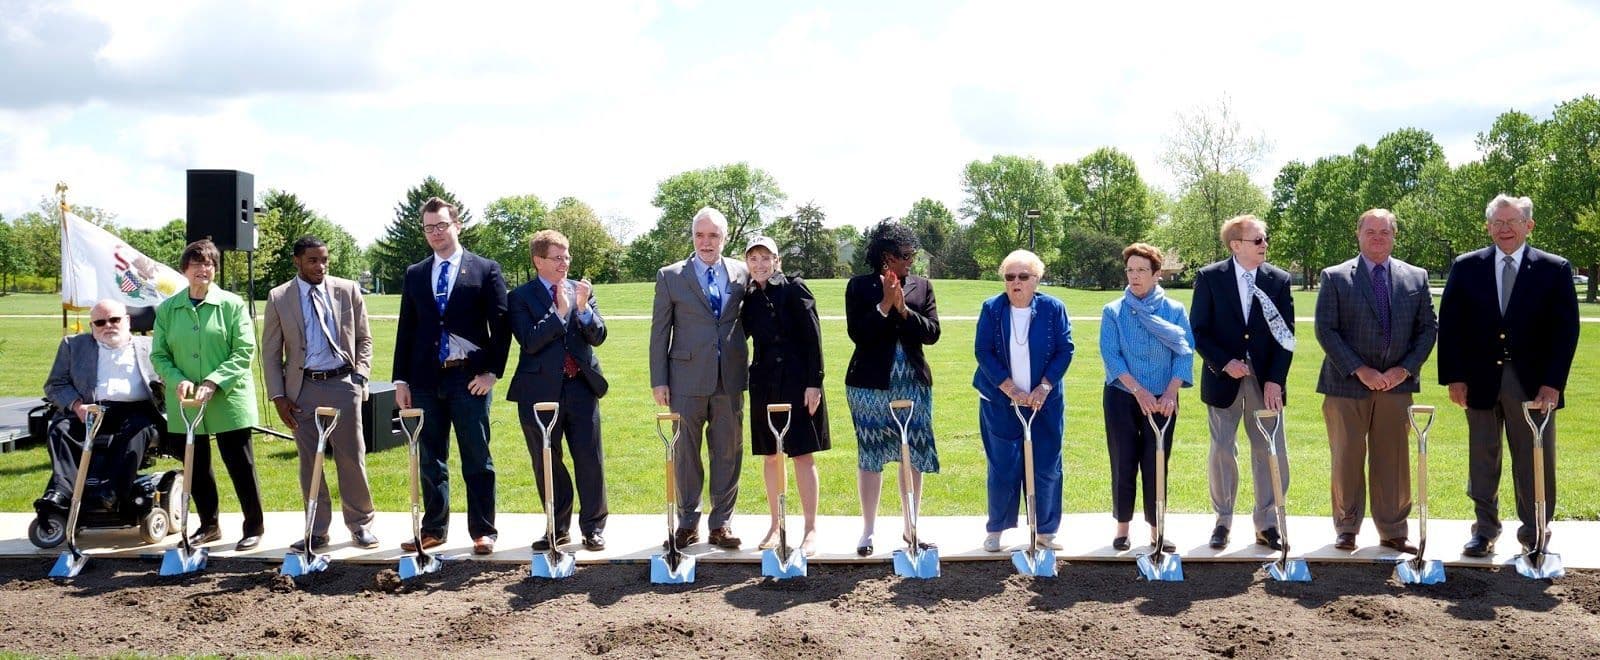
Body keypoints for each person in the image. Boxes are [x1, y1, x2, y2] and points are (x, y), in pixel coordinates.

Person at [1438, 194, 1579, 558]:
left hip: (1533, 384)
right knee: (1482, 458)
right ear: (1488, 226)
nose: (1504, 229)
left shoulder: (1554, 269)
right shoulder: (1467, 267)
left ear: (1528, 225)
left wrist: (1553, 383)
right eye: (1497, 223)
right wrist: (1454, 376)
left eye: (1512, 222)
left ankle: (1535, 531)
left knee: (1534, 459)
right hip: (1479, 381)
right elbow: (1451, 327)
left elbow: (1565, 333)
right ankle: (1484, 531)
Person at [392, 197, 511, 556]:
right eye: (429, 227)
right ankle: (433, 529)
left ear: (457, 226)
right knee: (431, 457)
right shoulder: (415, 273)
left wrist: (492, 372)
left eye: (442, 225)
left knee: (477, 456)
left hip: (469, 380)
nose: (436, 233)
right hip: (426, 382)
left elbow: (502, 326)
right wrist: (401, 381)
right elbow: (406, 329)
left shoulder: (485, 270)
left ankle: (483, 530)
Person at [1314, 209, 1437, 553]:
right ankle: (1347, 526)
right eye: (1371, 231)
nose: (1378, 237)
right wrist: (1360, 370)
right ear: (1359, 234)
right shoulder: (1336, 276)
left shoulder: (1416, 277)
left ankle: (1394, 529)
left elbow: (1428, 329)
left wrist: (1403, 369)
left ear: (1394, 235)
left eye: (1385, 231)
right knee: (1347, 457)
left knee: (1393, 459)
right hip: (1346, 385)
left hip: (1396, 386)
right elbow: (1326, 329)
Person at [261, 236, 379, 551]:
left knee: (351, 458)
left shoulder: (347, 290)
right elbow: (271, 353)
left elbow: (365, 339)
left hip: (343, 385)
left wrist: (360, 376)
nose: (320, 266)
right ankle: (317, 530)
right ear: (297, 261)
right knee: (310, 463)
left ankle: (361, 525)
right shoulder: (279, 297)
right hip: (302, 390)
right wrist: (277, 396)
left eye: (325, 260)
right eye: (313, 260)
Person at [150, 239, 264, 551]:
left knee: (240, 464)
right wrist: (177, 379)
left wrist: (214, 381)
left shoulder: (231, 304)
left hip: (228, 397)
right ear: (184, 269)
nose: (205, 269)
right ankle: (209, 525)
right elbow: (159, 355)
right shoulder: (168, 309)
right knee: (196, 466)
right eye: (198, 263)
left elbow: (244, 351)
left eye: (210, 263)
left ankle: (254, 525)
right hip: (186, 400)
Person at [1190, 214, 1296, 551]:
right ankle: (1223, 521)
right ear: (1236, 245)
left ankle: (1266, 523)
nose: (1265, 245)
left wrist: (1275, 380)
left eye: (1265, 239)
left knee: (1269, 450)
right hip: (1223, 380)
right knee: (1222, 449)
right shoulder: (1209, 278)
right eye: (1258, 240)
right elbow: (1198, 331)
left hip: (1267, 382)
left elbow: (1285, 336)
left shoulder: (1278, 280)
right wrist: (1224, 362)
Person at [649, 207, 750, 550]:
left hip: (730, 379)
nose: (706, 242)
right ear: (692, 237)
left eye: (713, 236)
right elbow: (660, 331)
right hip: (685, 379)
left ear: (725, 237)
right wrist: (659, 380)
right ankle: (688, 522)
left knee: (727, 453)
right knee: (685, 455)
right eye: (700, 235)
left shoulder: (742, 273)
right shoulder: (670, 276)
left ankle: (721, 524)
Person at [508, 229, 610, 552]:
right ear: (538, 261)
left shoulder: (581, 291)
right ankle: (558, 526)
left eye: (567, 256)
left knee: (590, 460)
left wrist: (582, 309)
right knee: (547, 462)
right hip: (539, 392)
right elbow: (529, 340)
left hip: (581, 386)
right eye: (557, 257)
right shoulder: (520, 297)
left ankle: (593, 528)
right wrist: (560, 313)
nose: (564, 263)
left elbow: (598, 336)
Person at [844, 219, 941, 556]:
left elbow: (931, 333)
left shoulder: (922, 286)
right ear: (886, 256)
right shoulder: (858, 287)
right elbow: (859, 335)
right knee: (870, 454)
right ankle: (868, 531)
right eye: (904, 254)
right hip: (868, 384)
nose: (910, 260)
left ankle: (911, 527)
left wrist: (902, 308)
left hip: (912, 382)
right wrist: (885, 305)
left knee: (910, 453)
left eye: (912, 254)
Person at [973, 249, 1073, 553]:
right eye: (1009, 276)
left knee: (1047, 464)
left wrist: (1043, 387)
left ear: (1036, 279)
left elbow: (1064, 349)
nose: (1015, 282)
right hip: (1000, 400)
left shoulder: (1053, 309)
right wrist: (1009, 387)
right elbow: (983, 351)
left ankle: (1045, 531)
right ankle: (997, 529)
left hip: (1044, 400)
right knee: (1003, 465)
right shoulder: (992, 309)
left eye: (1023, 276)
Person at [1099, 243, 1193, 552]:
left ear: (1156, 275)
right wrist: (1138, 391)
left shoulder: (1175, 311)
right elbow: (1111, 356)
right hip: (1122, 396)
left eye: (1141, 270)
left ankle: (1157, 531)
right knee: (1123, 461)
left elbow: (1184, 352)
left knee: (1156, 463)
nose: (1134, 276)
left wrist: (1170, 391)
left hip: (1163, 399)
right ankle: (1122, 529)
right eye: (1130, 270)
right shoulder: (1113, 311)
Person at [740, 235, 829, 556]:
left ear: (777, 261)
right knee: (770, 455)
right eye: (753, 258)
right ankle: (776, 524)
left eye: (766, 258)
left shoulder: (794, 288)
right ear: (746, 263)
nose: (760, 264)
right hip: (765, 383)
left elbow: (813, 335)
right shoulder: (747, 297)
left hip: (798, 383)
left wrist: (814, 382)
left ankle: (810, 528)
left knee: (803, 454)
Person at [38, 299, 164, 518]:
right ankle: (60, 492)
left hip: (137, 409)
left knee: (137, 429)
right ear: (92, 326)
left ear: (127, 320)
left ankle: (112, 492)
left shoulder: (153, 347)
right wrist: (77, 406)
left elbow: (169, 379)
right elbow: (55, 385)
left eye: (114, 319)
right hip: (91, 409)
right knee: (61, 428)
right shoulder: (73, 345)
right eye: (100, 322)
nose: (108, 325)